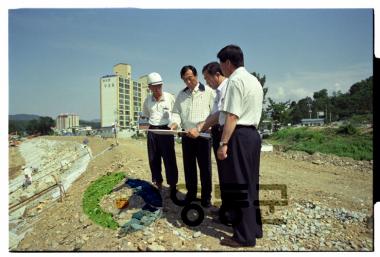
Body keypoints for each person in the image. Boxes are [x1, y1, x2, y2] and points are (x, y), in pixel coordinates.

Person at [216, 45, 264, 247]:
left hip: (239, 135)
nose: (221, 68)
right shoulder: (254, 80)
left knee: (238, 186)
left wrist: (223, 143)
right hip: (253, 135)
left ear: (227, 63)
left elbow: (232, 116)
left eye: (221, 63)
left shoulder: (235, 81)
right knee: (250, 183)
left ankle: (244, 236)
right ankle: (255, 228)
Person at [169, 65, 215, 208]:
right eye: (185, 80)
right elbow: (176, 112)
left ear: (196, 76)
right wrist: (175, 123)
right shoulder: (181, 95)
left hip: (203, 135)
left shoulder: (208, 91)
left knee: (205, 168)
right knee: (189, 167)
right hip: (187, 135)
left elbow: (215, 113)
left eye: (190, 78)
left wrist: (209, 128)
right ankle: (191, 193)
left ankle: (206, 196)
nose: (188, 82)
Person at [187, 62, 228, 211]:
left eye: (207, 78)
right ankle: (226, 208)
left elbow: (220, 115)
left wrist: (200, 128)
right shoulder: (218, 91)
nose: (206, 82)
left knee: (213, 170)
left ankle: (216, 203)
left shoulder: (219, 90)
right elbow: (216, 114)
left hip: (211, 133)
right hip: (195, 133)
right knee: (221, 172)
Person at [142, 72, 179, 192]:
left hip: (166, 130)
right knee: (153, 158)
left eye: (160, 86)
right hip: (152, 130)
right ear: (150, 87)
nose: (158, 89)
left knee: (169, 158)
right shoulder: (147, 100)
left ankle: (172, 184)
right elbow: (146, 114)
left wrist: (174, 124)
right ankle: (158, 182)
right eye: (155, 86)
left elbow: (176, 113)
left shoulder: (169, 97)